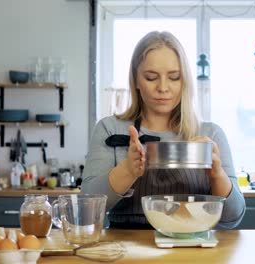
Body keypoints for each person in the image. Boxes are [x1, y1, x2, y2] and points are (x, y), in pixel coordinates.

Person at [82, 31, 245, 229]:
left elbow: (232, 217)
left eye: (174, 77)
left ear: (184, 81)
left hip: (193, 249)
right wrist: (128, 170)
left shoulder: (211, 135)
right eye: (151, 78)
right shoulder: (109, 129)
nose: (163, 87)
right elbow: (87, 210)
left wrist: (217, 174)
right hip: (127, 250)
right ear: (136, 81)